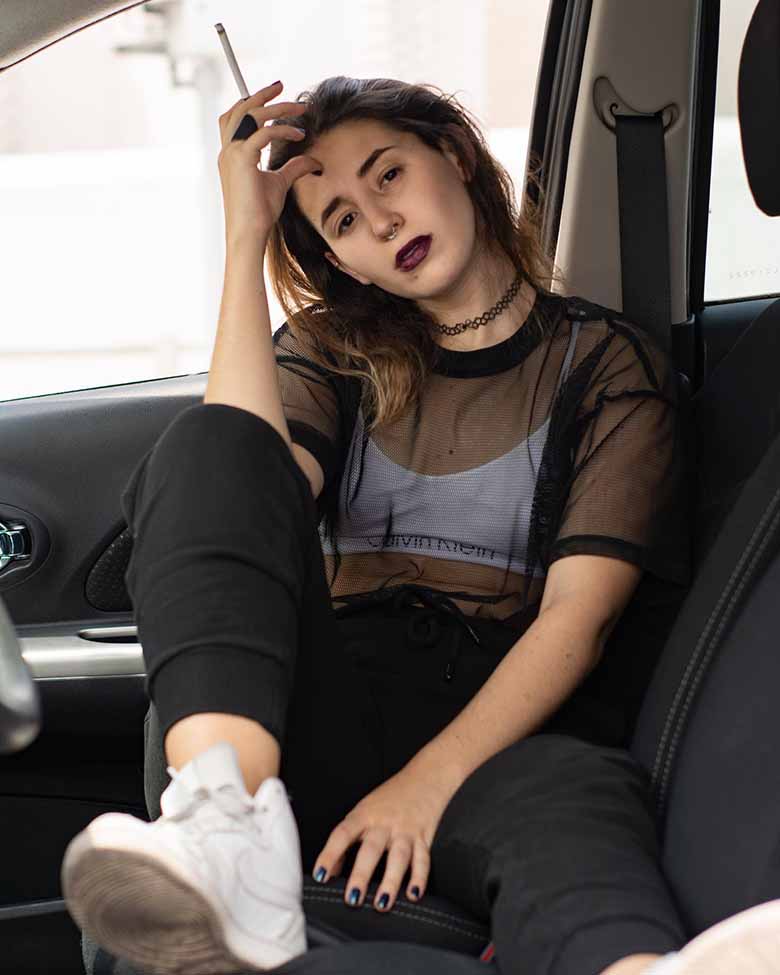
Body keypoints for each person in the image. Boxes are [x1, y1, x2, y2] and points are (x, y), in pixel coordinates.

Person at [61, 76, 780, 975]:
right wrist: (246, 236)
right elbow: (241, 483)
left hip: (504, 733)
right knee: (210, 439)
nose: (380, 220)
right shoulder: (332, 352)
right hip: (326, 718)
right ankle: (224, 823)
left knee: (571, 798)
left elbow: (579, 620)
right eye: (343, 221)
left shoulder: (604, 364)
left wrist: (423, 787)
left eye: (388, 174)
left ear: (456, 154)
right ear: (344, 263)